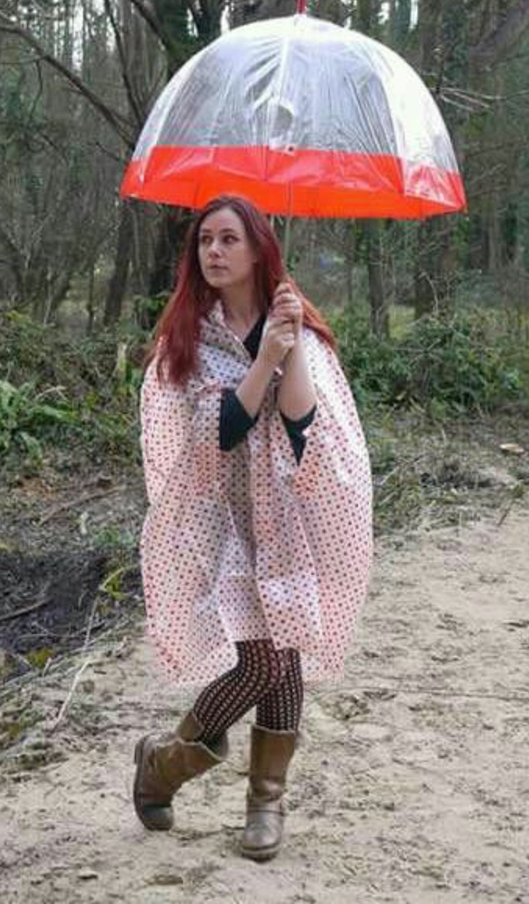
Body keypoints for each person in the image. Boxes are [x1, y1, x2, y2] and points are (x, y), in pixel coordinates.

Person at [133, 194, 372, 861]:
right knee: (263, 658)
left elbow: (303, 428)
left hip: (286, 517)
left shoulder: (297, 326)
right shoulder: (187, 336)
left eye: (228, 239)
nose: (213, 251)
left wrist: (287, 346)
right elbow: (216, 437)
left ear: (258, 249)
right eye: (205, 240)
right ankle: (165, 764)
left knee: (284, 648)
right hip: (219, 519)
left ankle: (262, 799)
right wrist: (262, 358)